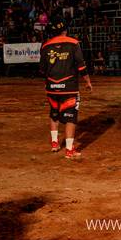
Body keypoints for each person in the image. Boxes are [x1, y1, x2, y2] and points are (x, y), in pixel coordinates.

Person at [39, 17, 92, 159]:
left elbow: (42, 69)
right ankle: (69, 150)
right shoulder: (73, 43)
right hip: (69, 87)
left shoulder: (45, 46)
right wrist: (87, 81)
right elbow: (81, 66)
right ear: (65, 30)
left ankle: (54, 143)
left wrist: (48, 82)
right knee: (70, 117)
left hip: (51, 87)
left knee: (54, 113)